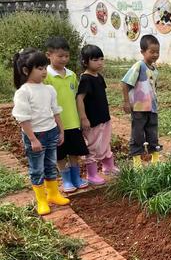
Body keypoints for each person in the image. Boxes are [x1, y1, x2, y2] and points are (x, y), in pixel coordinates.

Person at [12, 49, 70, 215]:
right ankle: (41, 200)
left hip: (51, 132)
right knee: (37, 169)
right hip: (36, 136)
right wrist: (32, 139)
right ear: (25, 70)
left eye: (45, 67)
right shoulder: (23, 92)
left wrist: (61, 131)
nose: (44, 71)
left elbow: (55, 111)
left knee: (51, 165)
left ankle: (53, 194)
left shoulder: (49, 89)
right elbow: (23, 118)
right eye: (39, 68)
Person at [44, 37, 89, 193]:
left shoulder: (71, 75)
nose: (64, 59)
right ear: (49, 55)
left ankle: (76, 177)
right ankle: (66, 180)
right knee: (60, 154)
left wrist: (82, 117)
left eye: (67, 56)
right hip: (56, 123)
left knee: (74, 152)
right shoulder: (46, 76)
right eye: (60, 56)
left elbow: (77, 97)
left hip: (73, 121)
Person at [76, 45, 119, 186]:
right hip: (92, 120)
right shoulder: (85, 79)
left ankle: (108, 167)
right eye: (95, 60)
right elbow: (79, 98)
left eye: (101, 59)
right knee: (93, 147)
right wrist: (83, 118)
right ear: (85, 62)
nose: (100, 62)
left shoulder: (98, 77)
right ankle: (92, 174)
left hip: (104, 118)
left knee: (106, 143)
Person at [121, 34, 161, 167]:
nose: (155, 55)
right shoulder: (139, 66)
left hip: (152, 108)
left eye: (157, 52)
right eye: (152, 52)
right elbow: (125, 83)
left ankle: (155, 162)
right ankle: (137, 164)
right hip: (139, 108)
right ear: (143, 52)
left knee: (153, 134)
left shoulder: (155, 70)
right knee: (138, 135)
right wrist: (127, 102)